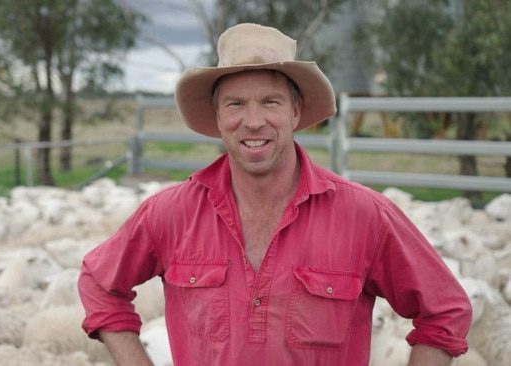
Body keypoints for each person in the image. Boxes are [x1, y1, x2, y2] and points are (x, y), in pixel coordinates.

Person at [78, 23, 472, 365]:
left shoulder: (364, 214)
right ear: (217, 117)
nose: (253, 121)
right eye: (235, 104)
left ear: (296, 112)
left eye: (270, 102)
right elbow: (99, 283)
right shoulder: (171, 212)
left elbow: (445, 310)